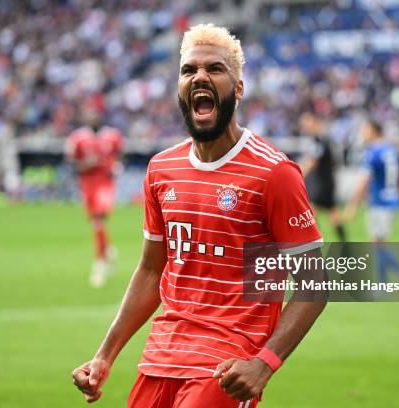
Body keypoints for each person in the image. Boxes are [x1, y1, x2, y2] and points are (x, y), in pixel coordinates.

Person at [72, 24, 326, 407]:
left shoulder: (274, 173)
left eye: (215, 69)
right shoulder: (161, 169)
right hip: (159, 360)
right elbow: (150, 270)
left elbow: (315, 281)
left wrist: (264, 363)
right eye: (189, 70)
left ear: (238, 89)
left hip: (224, 369)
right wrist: (105, 355)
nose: (200, 76)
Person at [65, 108, 123, 288]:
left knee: (98, 220)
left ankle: (99, 265)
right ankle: (108, 251)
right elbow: (70, 161)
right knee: (97, 224)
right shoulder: (77, 138)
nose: (93, 118)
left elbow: (119, 156)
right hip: (87, 184)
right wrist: (83, 165)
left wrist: (116, 166)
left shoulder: (113, 136)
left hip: (105, 184)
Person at [345, 119, 399, 283]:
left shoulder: (373, 152)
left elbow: (365, 180)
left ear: (374, 131)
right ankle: (391, 278)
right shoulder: (390, 149)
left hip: (380, 203)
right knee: (379, 244)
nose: (363, 133)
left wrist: (352, 205)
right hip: (393, 200)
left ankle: (389, 280)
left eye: (365, 129)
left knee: (378, 245)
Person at [299, 111, 347, 241]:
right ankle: (345, 246)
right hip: (327, 181)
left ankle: (314, 242)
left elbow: (312, 162)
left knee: (312, 212)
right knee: (333, 212)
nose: (304, 126)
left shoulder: (319, 140)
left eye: (307, 122)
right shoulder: (321, 140)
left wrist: (297, 174)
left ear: (314, 122)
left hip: (321, 184)